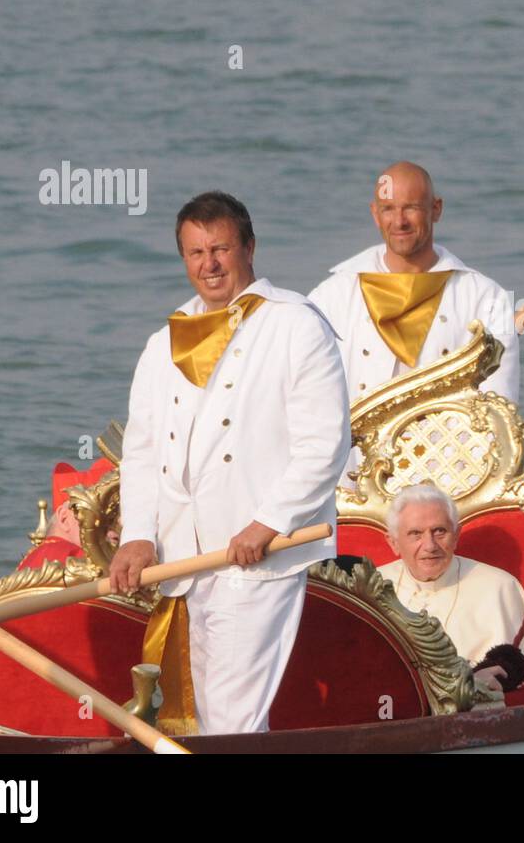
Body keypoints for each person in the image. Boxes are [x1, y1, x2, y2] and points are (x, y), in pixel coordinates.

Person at [109, 191, 350, 735]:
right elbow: (143, 451)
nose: (209, 264)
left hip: (256, 556)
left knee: (232, 715)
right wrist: (139, 535)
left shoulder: (296, 324)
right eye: (195, 253)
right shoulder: (161, 343)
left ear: (250, 247)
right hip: (182, 560)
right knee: (213, 715)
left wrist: (268, 522)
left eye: (220, 248)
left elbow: (325, 443)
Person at [310, 162, 518, 434]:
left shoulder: (484, 297)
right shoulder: (330, 298)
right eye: (388, 209)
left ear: (436, 209)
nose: (399, 221)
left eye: (411, 207)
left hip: (446, 470)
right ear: (375, 214)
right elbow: (308, 398)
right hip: (353, 470)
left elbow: (496, 410)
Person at [376, 483, 524, 695]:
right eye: (415, 534)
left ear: (456, 535)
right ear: (393, 543)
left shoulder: (499, 588)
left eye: (439, 531)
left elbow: (518, 683)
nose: (430, 545)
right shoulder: (371, 586)